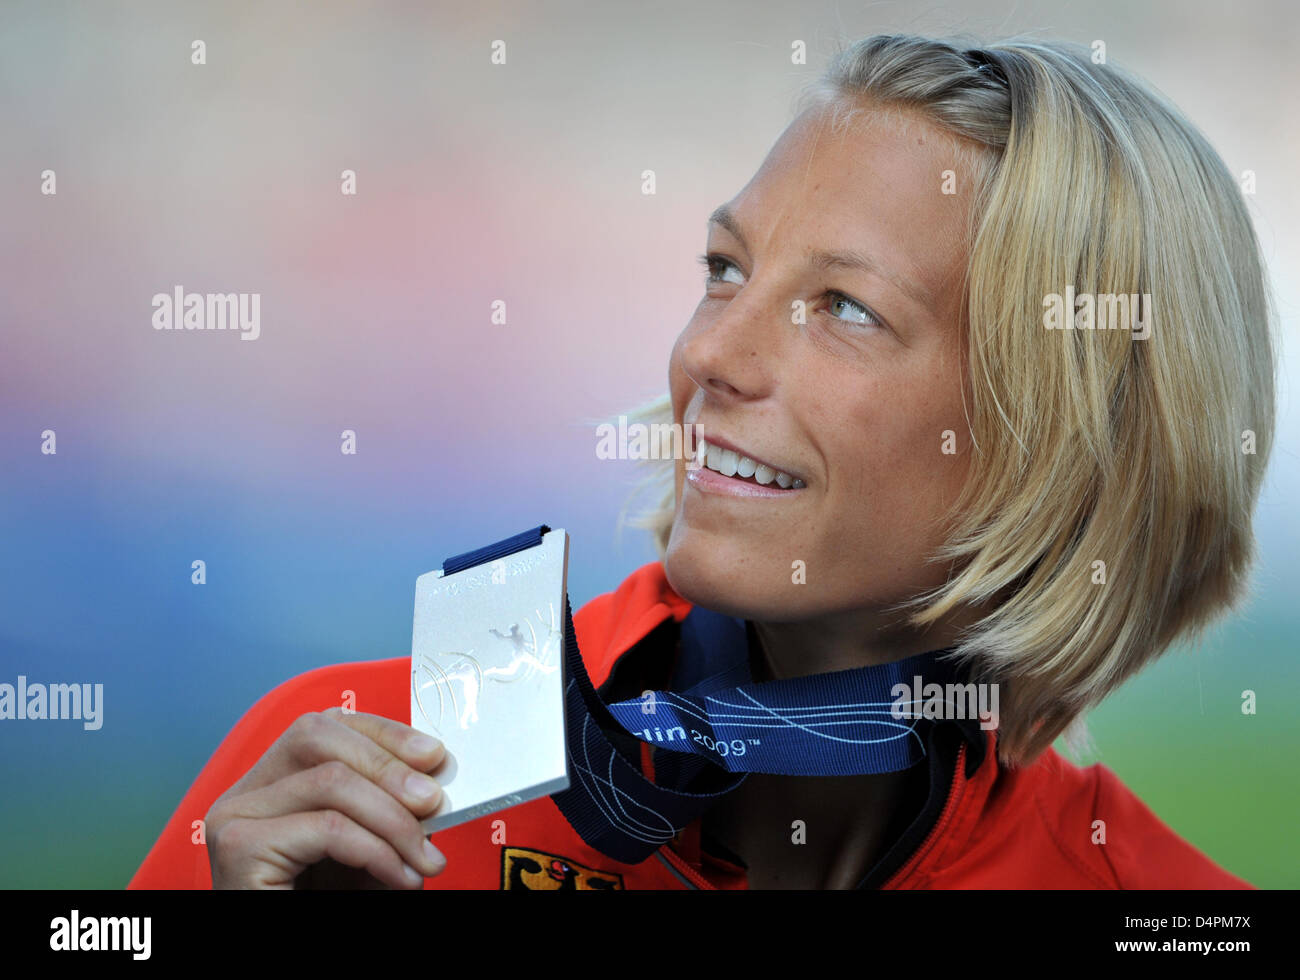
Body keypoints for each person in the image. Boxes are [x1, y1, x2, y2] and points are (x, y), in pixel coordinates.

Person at [129, 33, 1272, 890]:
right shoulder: (354, 784)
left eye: (844, 308)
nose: (705, 352)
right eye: (725, 268)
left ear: (1064, 437)